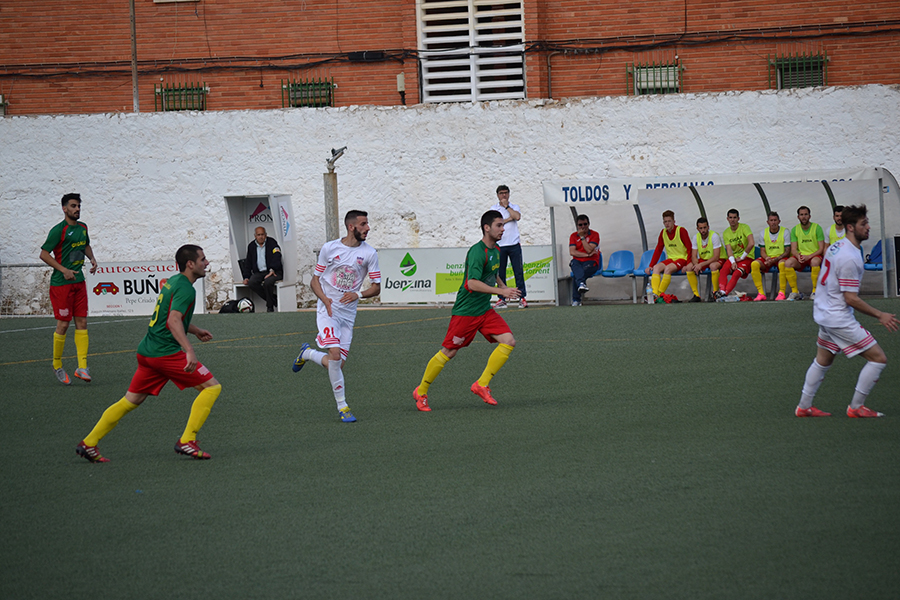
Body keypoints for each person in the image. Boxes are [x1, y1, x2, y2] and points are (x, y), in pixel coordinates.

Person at [75, 245, 221, 462]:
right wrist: (189, 350)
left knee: (130, 400)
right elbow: (173, 320)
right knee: (212, 387)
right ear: (190, 264)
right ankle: (187, 440)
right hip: (164, 353)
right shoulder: (186, 289)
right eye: (203, 259)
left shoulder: (173, 281)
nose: (207, 263)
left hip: (147, 351)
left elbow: (168, 317)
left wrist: (196, 330)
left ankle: (89, 443)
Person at [795, 205, 898, 418]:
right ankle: (856, 407)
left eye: (867, 223)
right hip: (837, 317)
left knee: (823, 359)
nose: (868, 227)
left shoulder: (837, 246)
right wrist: (880, 315)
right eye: (863, 224)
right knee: (878, 358)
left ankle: (804, 407)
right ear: (850, 227)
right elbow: (850, 298)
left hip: (824, 312)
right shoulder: (850, 257)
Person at [412, 210, 521, 411]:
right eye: (499, 225)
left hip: (484, 310)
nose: (503, 229)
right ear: (486, 228)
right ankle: (421, 391)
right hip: (466, 312)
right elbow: (472, 283)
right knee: (449, 352)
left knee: (508, 341)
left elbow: (493, 273)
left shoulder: (496, 250)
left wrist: (503, 286)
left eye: (503, 225)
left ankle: (481, 384)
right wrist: (500, 291)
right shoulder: (477, 252)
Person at [291, 210, 381, 423]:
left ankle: (307, 353)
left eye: (367, 224)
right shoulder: (330, 248)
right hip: (328, 311)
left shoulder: (369, 253)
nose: (367, 228)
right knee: (334, 353)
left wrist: (358, 294)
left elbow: (376, 287)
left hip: (348, 316)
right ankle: (343, 406)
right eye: (363, 224)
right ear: (351, 227)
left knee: (336, 364)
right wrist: (325, 300)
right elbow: (315, 280)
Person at [40, 193, 98, 385]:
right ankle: (57, 364)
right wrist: (63, 270)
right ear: (64, 209)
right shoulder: (59, 230)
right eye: (73, 206)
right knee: (63, 325)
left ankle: (82, 367)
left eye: (79, 206)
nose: (77, 209)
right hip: (61, 285)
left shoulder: (83, 227)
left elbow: (85, 245)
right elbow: (44, 254)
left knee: (82, 322)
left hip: (79, 282)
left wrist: (92, 258)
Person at [490, 184, 527, 309]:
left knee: (518, 272)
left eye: (506, 193)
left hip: (514, 244)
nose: (504, 195)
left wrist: (507, 207)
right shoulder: (494, 209)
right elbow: (494, 224)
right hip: (500, 245)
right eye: (501, 193)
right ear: (497, 195)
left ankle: (522, 298)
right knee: (500, 273)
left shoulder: (514, 207)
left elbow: (517, 216)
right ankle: (502, 299)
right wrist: (508, 219)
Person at [645, 210, 692, 303]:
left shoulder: (681, 231)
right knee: (656, 268)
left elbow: (689, 248)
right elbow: (658, 249)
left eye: (669, 221)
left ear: (674, 221)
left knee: (668, 269)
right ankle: (654, 293)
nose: (667, 224)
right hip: (671, 259)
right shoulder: (663, 232)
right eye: (665, 221)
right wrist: (651, 265)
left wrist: (688, 263)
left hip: (682, 259)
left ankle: (658, 295)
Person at [784, 205, 825, 300]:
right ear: (798, 217)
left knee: (815, 262)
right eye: (801, 215)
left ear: (810, 216)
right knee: (788, 263)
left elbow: (821, 248)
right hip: (801, 257)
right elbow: (793, 249)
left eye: (806, 214)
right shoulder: (795, 229)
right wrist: (798, 256)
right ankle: (795, 292)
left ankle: (815, 291)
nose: (804, 217)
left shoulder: (817, 228)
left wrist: (809, 256)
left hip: (814, 256)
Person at [750, 211, 792, 301]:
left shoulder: (785, 232)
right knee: (754, 264)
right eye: (771, 220)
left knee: (782, 264)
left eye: (775, 220)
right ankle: (761, 293)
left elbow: (787, 251)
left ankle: (782, 292)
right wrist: (767, 258)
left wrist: (774, 260)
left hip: (780, 258)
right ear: (767, 222)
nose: (773, 222)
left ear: (779, 221)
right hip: (768, 258)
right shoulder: (763, 233)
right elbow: (762, 251)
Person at [240, 226, 284, 312]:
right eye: (258, 235)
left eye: (262, 234)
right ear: (255, 236)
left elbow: (277, 256)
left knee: (268, 282)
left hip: (274, 271)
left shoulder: (272, 243)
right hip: (259, 272)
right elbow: (248, 262)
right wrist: (246, 277)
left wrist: (272, 269)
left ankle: (270, 307)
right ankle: (273, 299)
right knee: (252, 282)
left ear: (266, 235)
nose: (261, 237)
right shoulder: (251, 246)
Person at [715, 208, 755, 300]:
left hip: (747, 257)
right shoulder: (726, 232)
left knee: (737, 273)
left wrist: (742, 257)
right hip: (735, 258)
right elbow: (729, 250)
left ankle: (725, 293)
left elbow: (751, 243)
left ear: (738, 218)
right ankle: (722, 291)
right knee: (723, 271)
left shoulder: (745, 227)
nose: (732, 220)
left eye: (734, 217)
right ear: (727, 219)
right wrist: (733, 262)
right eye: (730, 217)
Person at [685, 217, 723, 302]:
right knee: (689, 267)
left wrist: (701, 265)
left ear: (708, 227)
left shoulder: (714, 236)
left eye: (705, 227)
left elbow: (716, 257)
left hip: (719, 259)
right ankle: (696, 295)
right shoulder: (696, 237)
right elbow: (694, 256)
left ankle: (715, 293)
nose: (703, 230)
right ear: (697, 229)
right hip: (704, 259)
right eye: (701, 228)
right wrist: (696, 265)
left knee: (713, 266)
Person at [569, 214, 601, 306]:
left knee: (577, 274)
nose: (583, 227)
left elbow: (589, 249)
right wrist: (587, 255)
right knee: (574, 264)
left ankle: (576, 299)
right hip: (578, 262)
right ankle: (581, 284)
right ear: (577, 226)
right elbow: (572, 252)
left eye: (585, 224)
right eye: (580, 225)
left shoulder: (595, 234)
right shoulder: (573, 236)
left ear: (589, 224)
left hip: (591, 262)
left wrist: (582, 237)